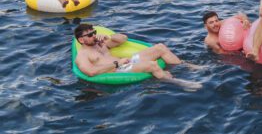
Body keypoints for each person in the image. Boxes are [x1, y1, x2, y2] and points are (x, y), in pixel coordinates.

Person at [73, 23, 202, 88]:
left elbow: (123, 38)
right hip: (119, 69)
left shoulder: (100, 43)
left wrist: (109, 37)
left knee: (160, 47)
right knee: (152, 65)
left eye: (94, 32)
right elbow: (90, 72)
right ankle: (180, 83)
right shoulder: (82, 55)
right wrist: (117, 63)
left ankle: (185, 66)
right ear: (81, 40)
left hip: (126, 62)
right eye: (90, 35)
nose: (94, 36)